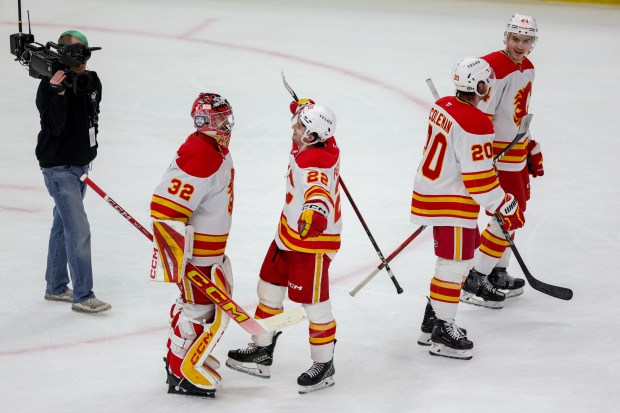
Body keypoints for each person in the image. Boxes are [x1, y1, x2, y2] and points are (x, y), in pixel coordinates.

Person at [411, 57, 524, 359]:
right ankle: (442, 331)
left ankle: (431, 321)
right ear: (483, 87)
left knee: (457, 261)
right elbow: (479, 181)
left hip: (434, 191)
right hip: (452, 200)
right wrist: (505, 203)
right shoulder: (476, 123)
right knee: (452, 265)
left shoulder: (443, 105)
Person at [226, 99, 341, 394]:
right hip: (288, 235)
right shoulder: (314, 143)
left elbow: (318, 193)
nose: (294, 127)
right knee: (269, 290)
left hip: (310, 243)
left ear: (312, 137)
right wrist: (305, 107)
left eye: (300, 125)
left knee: (315, 306)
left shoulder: (314, 162)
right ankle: (262, 350)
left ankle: (324, 363)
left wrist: (314, 214)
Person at [150, 92, 235, 398]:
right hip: (197, 252)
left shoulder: (212, 149)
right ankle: (180, 372)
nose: (227, 124)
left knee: (201, 307)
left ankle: (185, 359)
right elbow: (164, 205)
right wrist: (176, 251)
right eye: (219, 119)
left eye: (227, 117)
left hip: (208, 250)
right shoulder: (202, 153)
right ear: (203, 122)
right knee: (197, 310)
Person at [461, 13, 542, 306]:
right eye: (515, 39)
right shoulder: (494, 68)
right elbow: (480, 117)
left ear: (534, 41)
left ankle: (496, 271)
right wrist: (482, 158)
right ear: (505, 37)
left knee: (515, 213)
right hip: (498, 154)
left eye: (526, 40)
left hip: (515, 152)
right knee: (508, 214)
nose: (520, 45)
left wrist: (530, 144)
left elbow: (519, 114)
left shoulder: (528, 68)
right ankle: (475, 279)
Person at [37, 30, 110, 313]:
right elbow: (54, 128)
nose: (85, 60)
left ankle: (55, 287)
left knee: (62, 225)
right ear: (65, 56)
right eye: (79, 55)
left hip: (80, 166)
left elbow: (94, 110)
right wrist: (59, 95)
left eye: (87, 54)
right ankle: (83, 295)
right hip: (59, 169)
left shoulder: (90, 80)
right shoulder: (48, 87)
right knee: (78, 229)